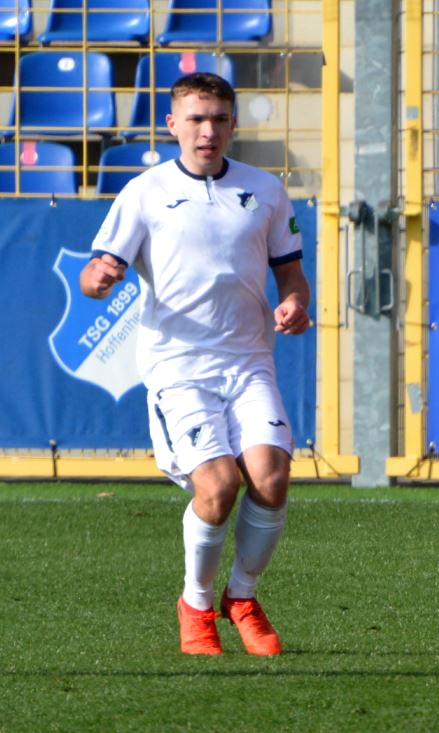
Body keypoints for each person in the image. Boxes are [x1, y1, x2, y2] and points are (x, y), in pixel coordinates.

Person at [80, 72, 311, 656]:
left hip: (250, 361)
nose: (208, 131)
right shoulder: (144, 192)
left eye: (219, 119)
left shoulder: (265, 189)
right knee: (218, 486)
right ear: (172, 125)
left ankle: (243, 598)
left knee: (272, 479)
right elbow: (95, 273)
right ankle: (197, 605)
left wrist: (296, 304)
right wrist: (98, 279)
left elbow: (291, 273)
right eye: (196, 119)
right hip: (178, 367)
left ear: (233, 124)